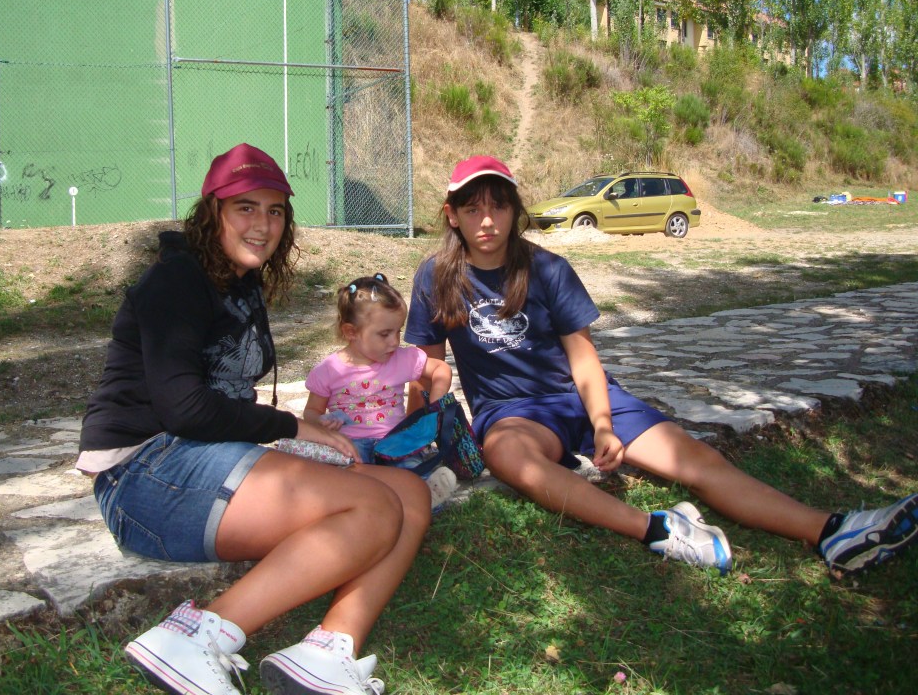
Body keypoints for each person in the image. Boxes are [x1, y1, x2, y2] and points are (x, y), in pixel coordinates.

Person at [404, 154, 918, 576]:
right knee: (513, 462)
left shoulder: (547, 268)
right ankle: (658, 529)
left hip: (583, 398)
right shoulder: (435, 278)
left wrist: (603, 424)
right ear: (453, 215)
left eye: (498, 206)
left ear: (515, 210)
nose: (487, 220)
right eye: (473, 209)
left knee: (695, 460)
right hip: (512, 414)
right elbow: (426, 370)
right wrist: (411, 440)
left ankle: (831, 531)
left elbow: (582, 356)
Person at [77, 143, 429, 695]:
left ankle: (330, 649)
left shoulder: (238, 283)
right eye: (246, 207)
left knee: (408, 491)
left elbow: (222, 405)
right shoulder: (176, 280)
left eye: (275, 210)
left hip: (206, 457)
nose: (263, 224)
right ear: (212, 211)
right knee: (372, 504)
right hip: (144, 475)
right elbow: (184, 409)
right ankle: (199, 636)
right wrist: (294, 427)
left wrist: (295, 435)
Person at [301, 273, 457, 507]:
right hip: (348, 443)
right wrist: (321, 421)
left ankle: (426, 495)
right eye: (385, 334)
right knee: (341, 476)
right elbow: (311, 412)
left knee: (409, 470)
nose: (394, 342)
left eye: (398, 331)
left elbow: (441, 370)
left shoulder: (402, 358)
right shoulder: (329, 370)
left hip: (395, 441)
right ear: (351, 332)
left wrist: (435, 407)